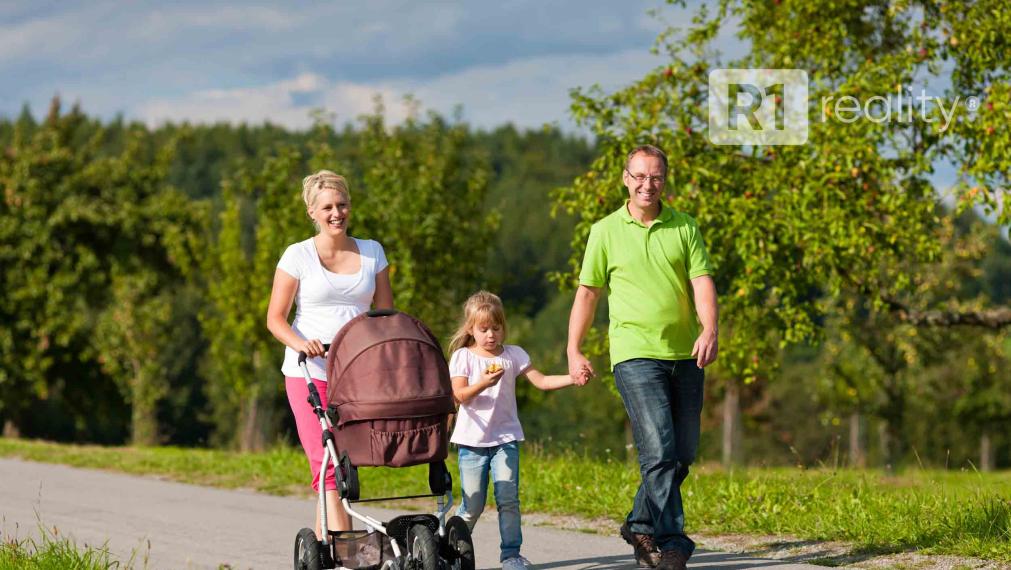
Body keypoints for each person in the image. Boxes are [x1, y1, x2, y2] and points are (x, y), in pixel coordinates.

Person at [566, 145, 718, 570]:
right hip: (634, 355)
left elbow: (702, 282)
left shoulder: (685, 227)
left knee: (681, 453)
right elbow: (588, 293)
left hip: (686, 354)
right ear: (625, 178)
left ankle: (639, 522)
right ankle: (672, 543)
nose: (647, 185)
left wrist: (710, 329)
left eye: (655, 177)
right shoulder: (605, 231)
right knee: (659, 450)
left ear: (664, 181)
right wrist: (573, 348)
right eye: (639, 176)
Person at [266, 170, 393, 538]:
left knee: (343, 466)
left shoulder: (372, 252)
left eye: (342, 205)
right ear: (312, 212)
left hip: (356, 374)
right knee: (328, 464)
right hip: (311, 372)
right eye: (327, 207)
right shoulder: (297, 255)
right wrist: (299, 342)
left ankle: (324, 552)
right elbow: (275, 318)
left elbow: (385, 315)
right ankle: (350, 555)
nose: (336, 213)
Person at [447, 291, 583, 570]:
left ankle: (511, 555)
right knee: (472, 505)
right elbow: (459, 395)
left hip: (505, 439)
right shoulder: (463, 357)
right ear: (471, 329)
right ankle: (451, 550)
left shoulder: (514, 355)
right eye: (483, 329)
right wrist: (483, 383)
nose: (491, 335)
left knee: (508, 499)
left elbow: (542, 381)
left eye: (496, 328)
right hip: (472, 443)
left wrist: (573, 377)